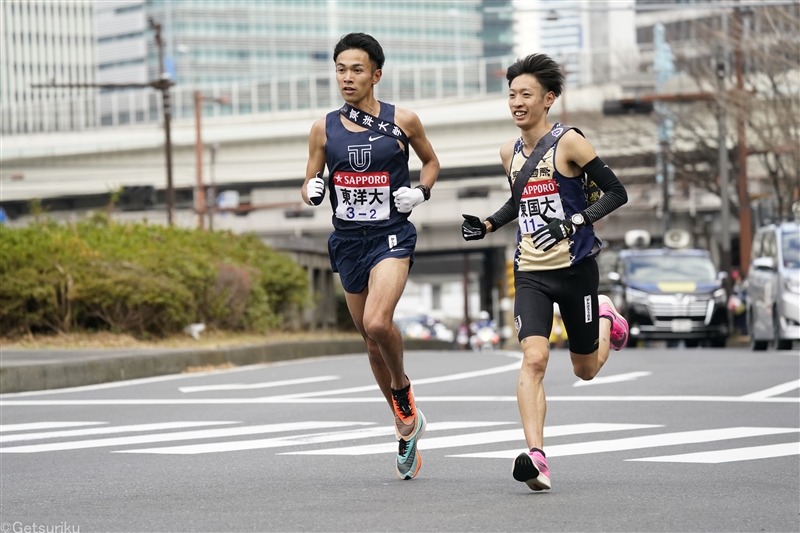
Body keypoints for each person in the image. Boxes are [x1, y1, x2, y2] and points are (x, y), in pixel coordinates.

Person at [460, 53, 629, 491]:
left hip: (576, 272)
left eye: (526, 95)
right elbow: (520, 202)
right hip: (531, 272)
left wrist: (573, 222)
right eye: (512, 94)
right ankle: (536, 457)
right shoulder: (508, 152)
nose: (517, 102)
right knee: (534, 358)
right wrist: (488, 224)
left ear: (548, 99)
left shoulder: (570, 142)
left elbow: (616, 193)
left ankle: (606, 316)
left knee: (585, 371)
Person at [302, 33, 440, 480]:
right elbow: (308, 180)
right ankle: (405, 426)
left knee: (378, 323)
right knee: (368, 337)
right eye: (341, 69)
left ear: (376, 74)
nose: (347, 77)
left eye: (356, 69)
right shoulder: (324, 127)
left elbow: (432, 162)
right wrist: (313, 189)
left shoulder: (404, 120)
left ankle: (403, 395)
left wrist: (419, 191)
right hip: (348, 242)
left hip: (391, 237)